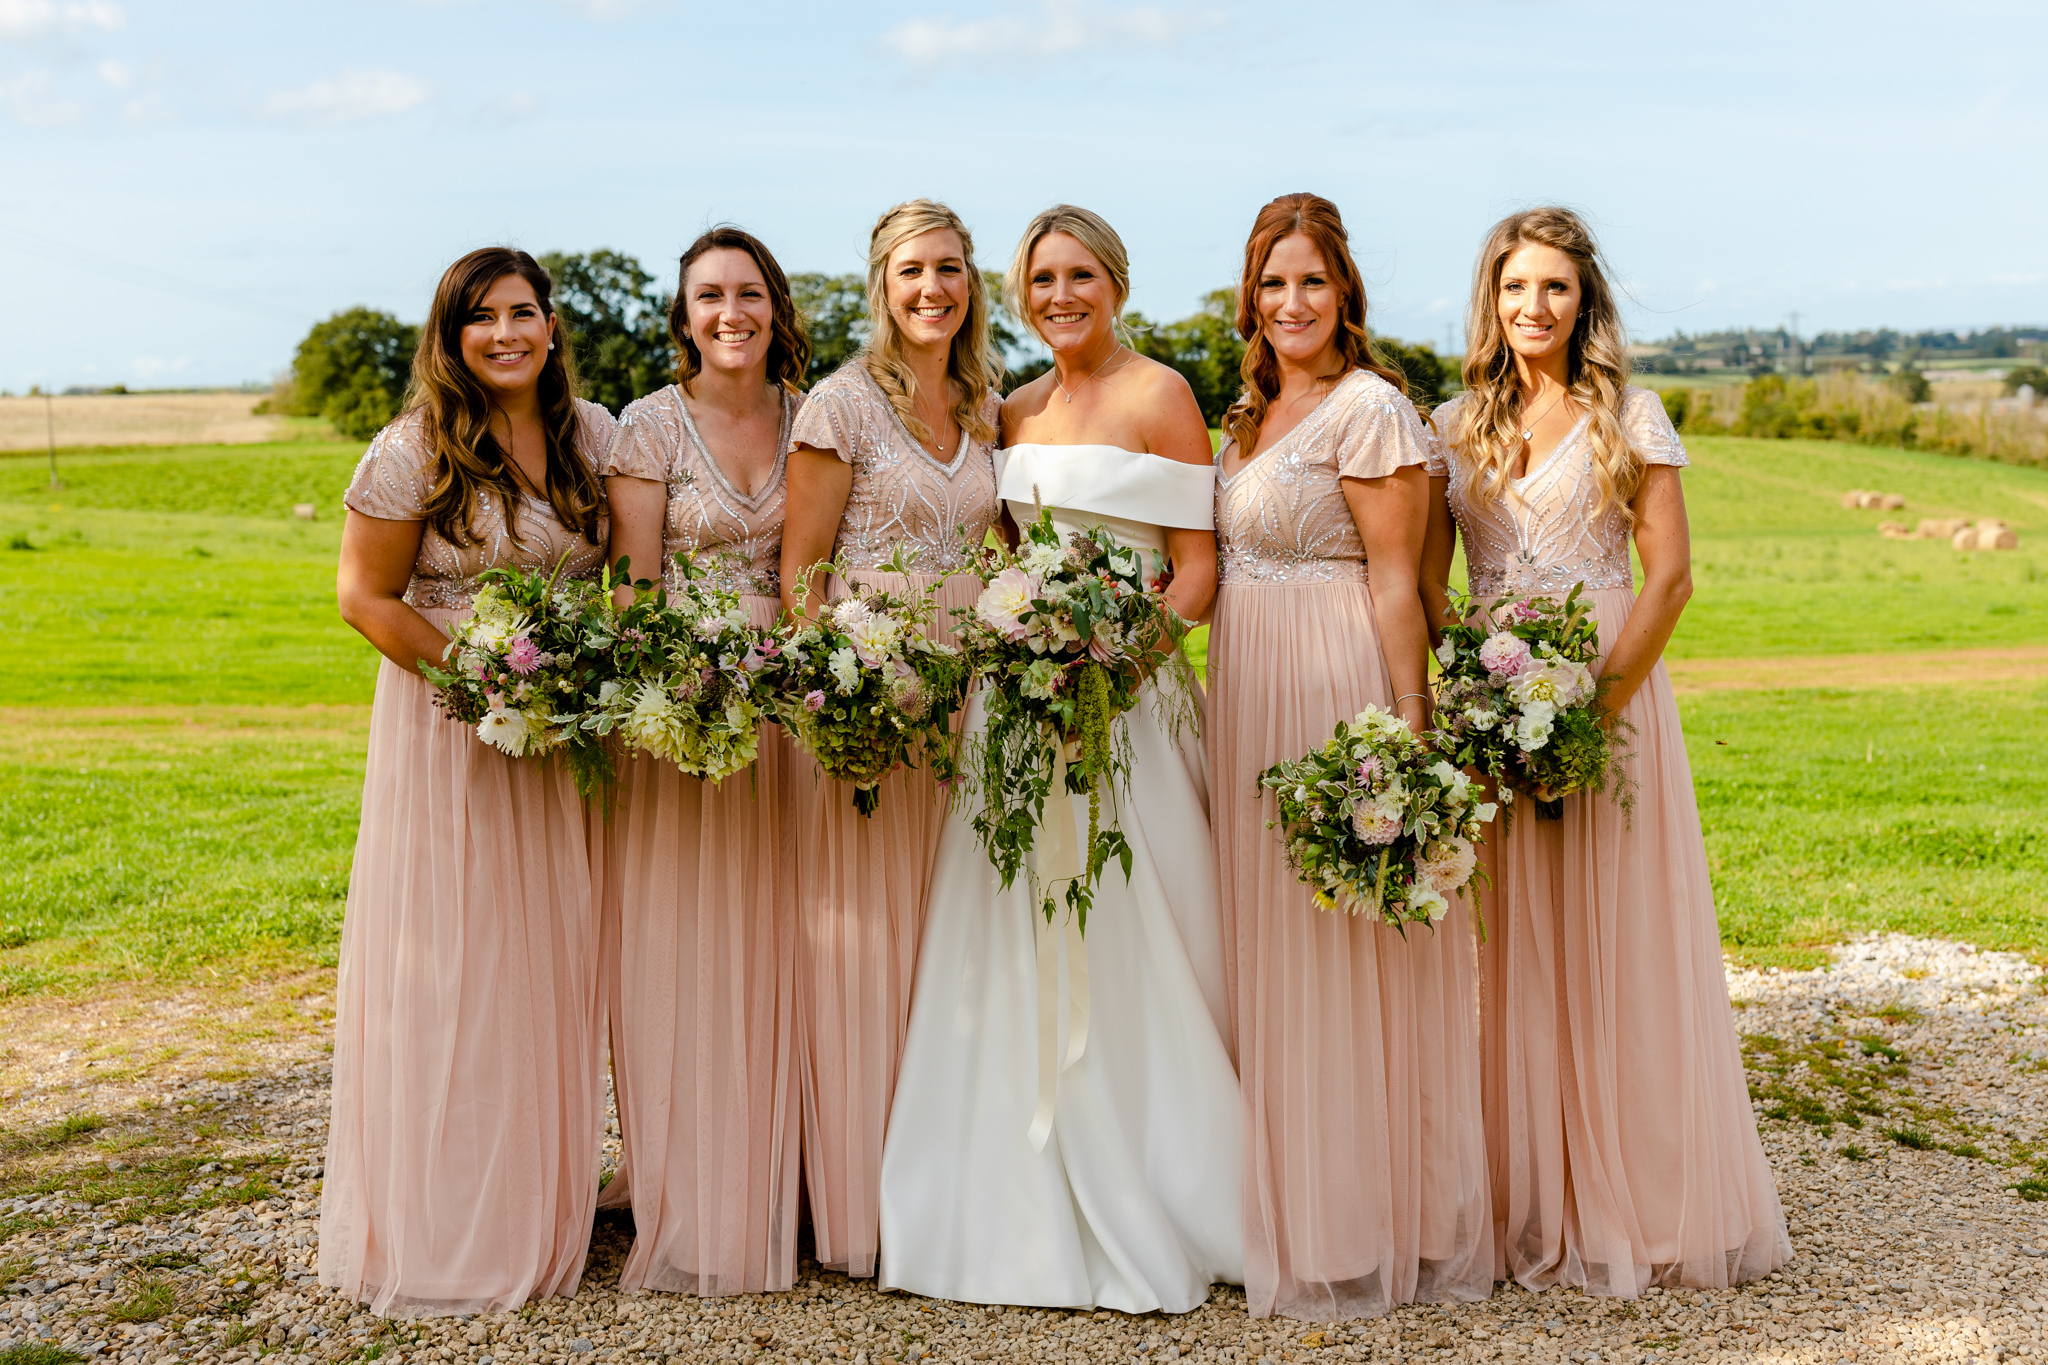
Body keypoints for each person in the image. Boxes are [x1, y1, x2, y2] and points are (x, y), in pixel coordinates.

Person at [878, 205, 1242, 1313]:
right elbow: (1005, 558)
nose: (1059, 296)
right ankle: (1002, 1196)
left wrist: (1117, 669)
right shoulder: (1011, 410)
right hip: (1017, 707)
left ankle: (1167, 1172)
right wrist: (1024, 650)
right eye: (1041, 279)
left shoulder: (1161, 395)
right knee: (1008, 934)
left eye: (1079, 275)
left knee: (1142, 932)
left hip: (1124, 701)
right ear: (1020, 293)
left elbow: (1194, 568)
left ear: (1116, 284)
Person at [1423, 206, 1788, 1295]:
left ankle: (1638, 1196)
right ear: (1488, 301)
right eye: (1513, 289)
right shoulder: (1450, 425)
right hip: (1496, 714)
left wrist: (1590, 712)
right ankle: (1529, 1199)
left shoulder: (1629, 412)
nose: (1532, 309)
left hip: (1608, 708)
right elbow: (1433, 588)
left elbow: (1668, 576)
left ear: (1585, 302)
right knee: (1514, 954)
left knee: (1617, 943)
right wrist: (1481, 701)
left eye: (1554, 289)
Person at [1207, 194, 1493, 1322]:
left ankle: (1363, 1218)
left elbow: (1395, 579)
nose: (1290, 304)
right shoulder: (1248, 413)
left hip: (1336, 690)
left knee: (1341, 950)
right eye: (1272, 284)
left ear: (1344, 294)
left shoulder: (1370, 411)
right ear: (1250, 296)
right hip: (1246, 694)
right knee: (1266, 944)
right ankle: (1278, 1195)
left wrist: (1408, 733)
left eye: (1310, 283)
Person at [324, 247, 614, 1316]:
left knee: (546, 964)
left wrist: (565, 693)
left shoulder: (591, 439)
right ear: (450, 337)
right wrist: (488, 682)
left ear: (551, 326)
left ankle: (538, 1197)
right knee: (454, 962)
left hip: (562, 741)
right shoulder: (412, 450)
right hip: (452, 731)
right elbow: (365, 596)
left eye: (523, 313)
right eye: (481, 318)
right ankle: (446, 1220)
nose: (506, 334)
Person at [777, 199, 1004, 1279]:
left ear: (972, 283)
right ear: (881, 281)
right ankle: (857, 1200)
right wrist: (839, 697)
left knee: (950, 942)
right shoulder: (839, 404)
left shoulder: (984, 403)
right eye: (913, 270)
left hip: (970, 704)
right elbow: (799, 573)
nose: (933, 290)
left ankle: (951, 1184)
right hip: (873, 703)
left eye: (951, 269)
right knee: (863, 940)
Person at [597, 226, 809, 1295]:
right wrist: (677, 692)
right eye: (708, 297)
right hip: (682, 711)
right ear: (683, 317)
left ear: (776, 307)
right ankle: (672, 1172)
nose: (731, 313)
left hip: (790, 706)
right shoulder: (647, 428)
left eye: (749, 293)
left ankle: (783, 1166)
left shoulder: (810, 421)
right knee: (678, 937)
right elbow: (631, 590)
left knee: (784, 936)